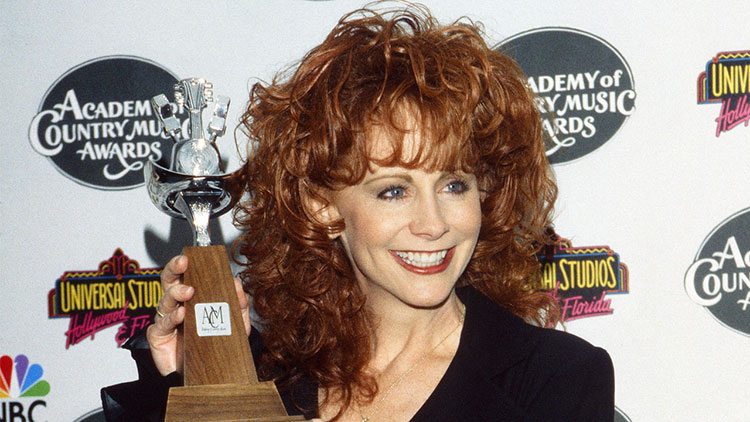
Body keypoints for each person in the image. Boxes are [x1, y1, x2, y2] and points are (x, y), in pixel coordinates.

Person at [102, 3, 614, 421]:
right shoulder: (271, 379)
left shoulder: (553, 381)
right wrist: (186, 381)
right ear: (321, 205)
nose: (433, 223)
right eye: (393, 190)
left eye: (454, 184)